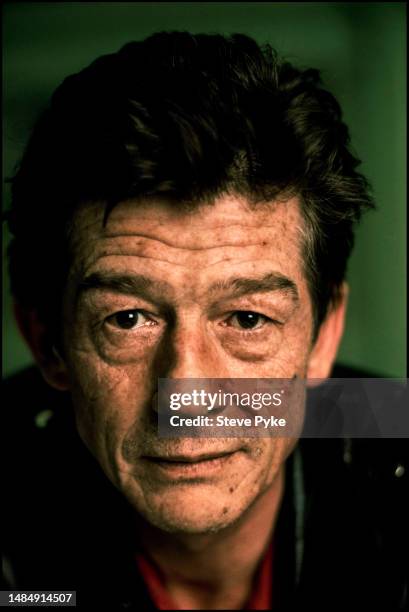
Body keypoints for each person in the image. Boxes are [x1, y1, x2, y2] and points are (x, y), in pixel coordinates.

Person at [2, 32, 407, 610]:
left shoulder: (392, 437)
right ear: (47, 342)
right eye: (128, 318)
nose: (187, 395)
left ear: (324, 335)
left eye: (247, 318)